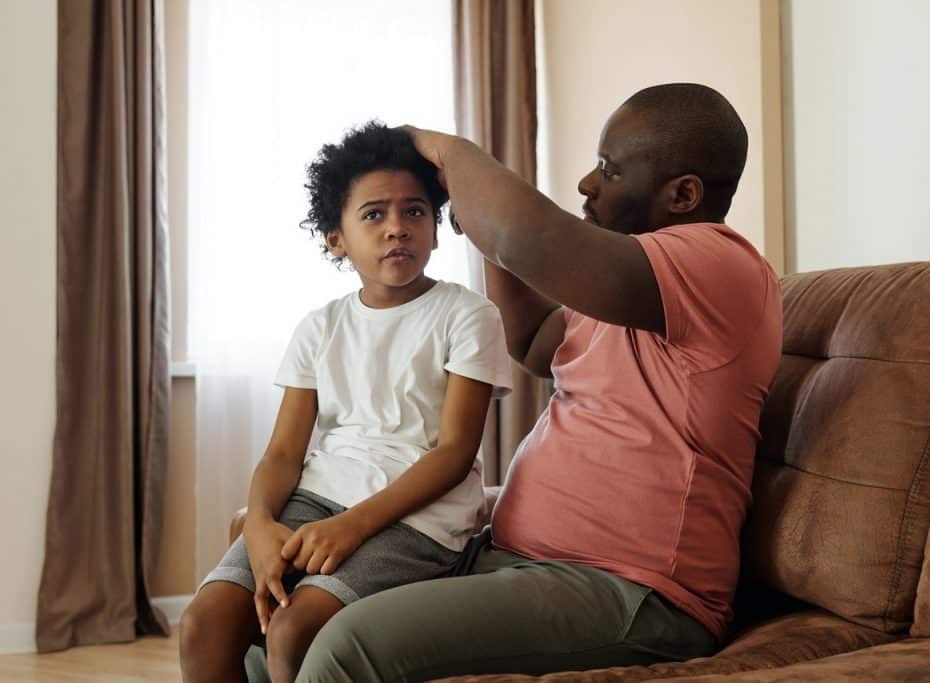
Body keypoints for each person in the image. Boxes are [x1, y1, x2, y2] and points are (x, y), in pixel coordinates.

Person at [269, 82, 783, 682]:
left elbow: (531, 238)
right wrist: (482, 233)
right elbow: (537, 342)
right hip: (518, 562)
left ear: (683, 194)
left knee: (344, 646)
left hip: (637, 593)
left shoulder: (716, 263)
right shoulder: (632, 283)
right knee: (277, 631)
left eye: (609, 170)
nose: (587, 185)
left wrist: (441, 151)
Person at [178, 122, 514, 683]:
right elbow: (284, 454)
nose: (396, 230)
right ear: (336, 239)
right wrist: (259, 523)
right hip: (319, 497)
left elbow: (454, 453)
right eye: (374, 215)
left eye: (414, 213)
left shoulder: (468, 316)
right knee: (201, 624)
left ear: (436, 228)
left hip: (417, 517)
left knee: (294, 627)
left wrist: (352, 527)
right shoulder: (320, 327)